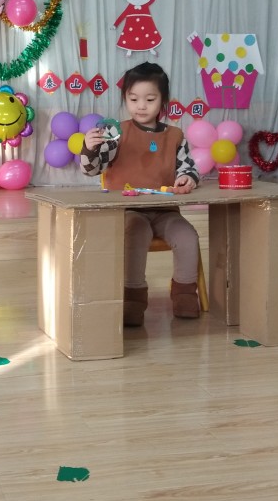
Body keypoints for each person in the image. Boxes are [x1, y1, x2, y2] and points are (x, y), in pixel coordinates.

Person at [80, 62, 200, 327]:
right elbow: (92, 169)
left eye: (150, 99)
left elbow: (189, 168)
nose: (141, 106)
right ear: (125, 98)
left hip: (165, 211)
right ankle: (133, 298)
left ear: (163, 101)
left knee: (188, 236)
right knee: (136, 233)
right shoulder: (116, 133)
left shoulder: (175, 135)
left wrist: (186, 179)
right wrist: (89, 149)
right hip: (129, 211)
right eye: (133, 99)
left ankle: (184, 293)